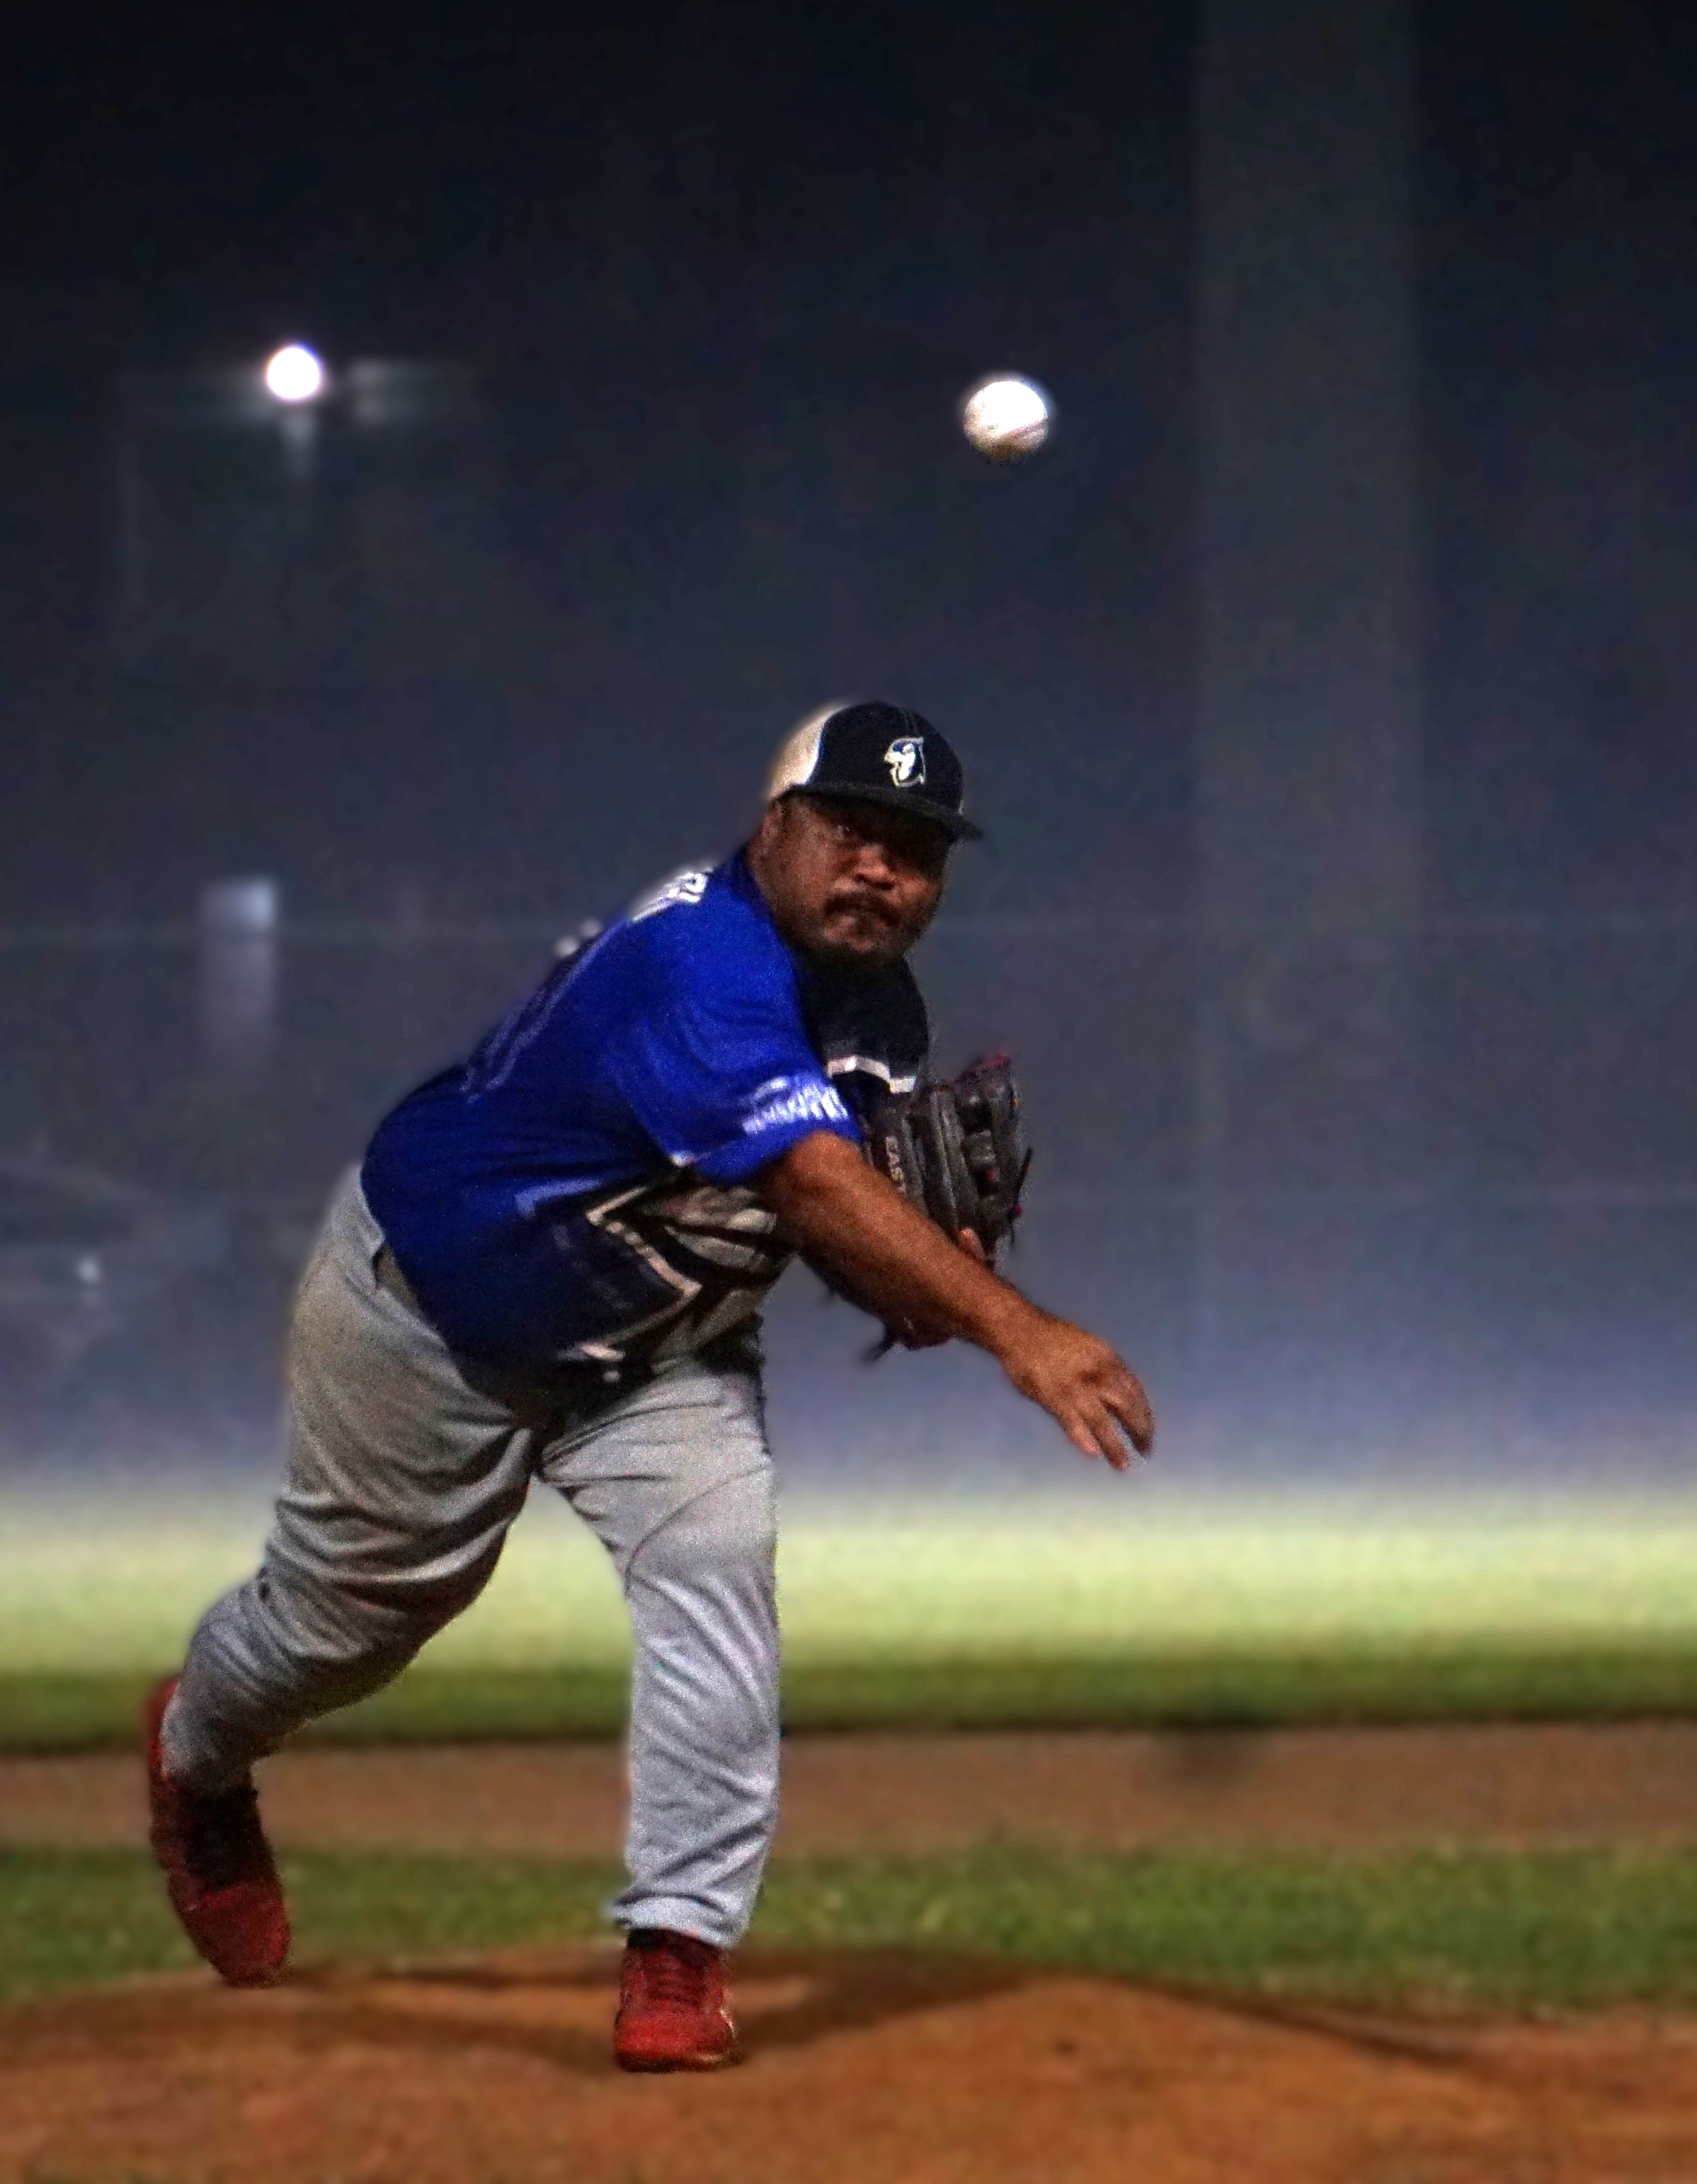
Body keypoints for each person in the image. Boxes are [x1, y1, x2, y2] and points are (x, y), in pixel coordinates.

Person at [143, 700, 1156, 2071]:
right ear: (773, 826)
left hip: (656, 1345)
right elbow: (809, 1178)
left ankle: (677, 1952)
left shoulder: (877, 1006)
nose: (881, 870)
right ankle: (196, 1755)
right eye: (853, 830)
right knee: (354, 1623)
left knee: (720, 1559)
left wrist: (920, 1285)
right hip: (434, 1310)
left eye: (914, 851)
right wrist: (1016, 1328)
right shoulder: (701, 962)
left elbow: (825, 1224)